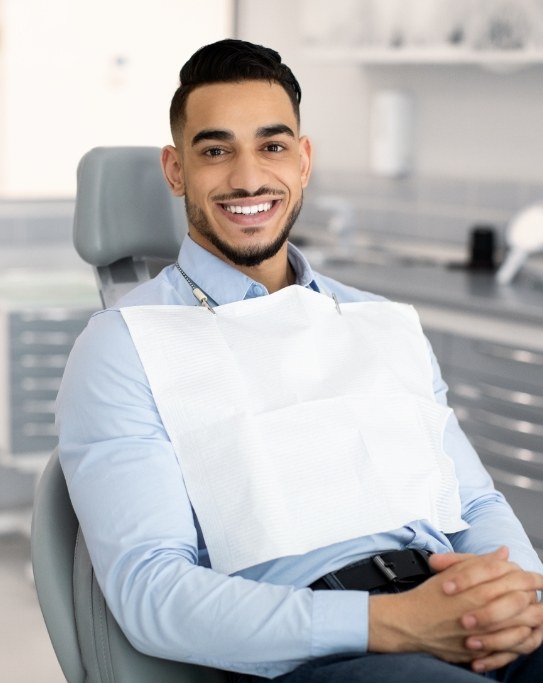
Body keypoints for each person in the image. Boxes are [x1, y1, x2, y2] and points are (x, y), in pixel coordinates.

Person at [56, 39, 543, 682]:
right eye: (215, 150)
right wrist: (392, 625)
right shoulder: (125, 345)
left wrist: (523, 600)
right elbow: (153, 591)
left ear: (304, 160)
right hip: (323, 654)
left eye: (273, 145)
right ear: (176, 171)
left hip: (452, 611)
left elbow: (474, 508)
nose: (249, 177)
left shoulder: (381, 322)